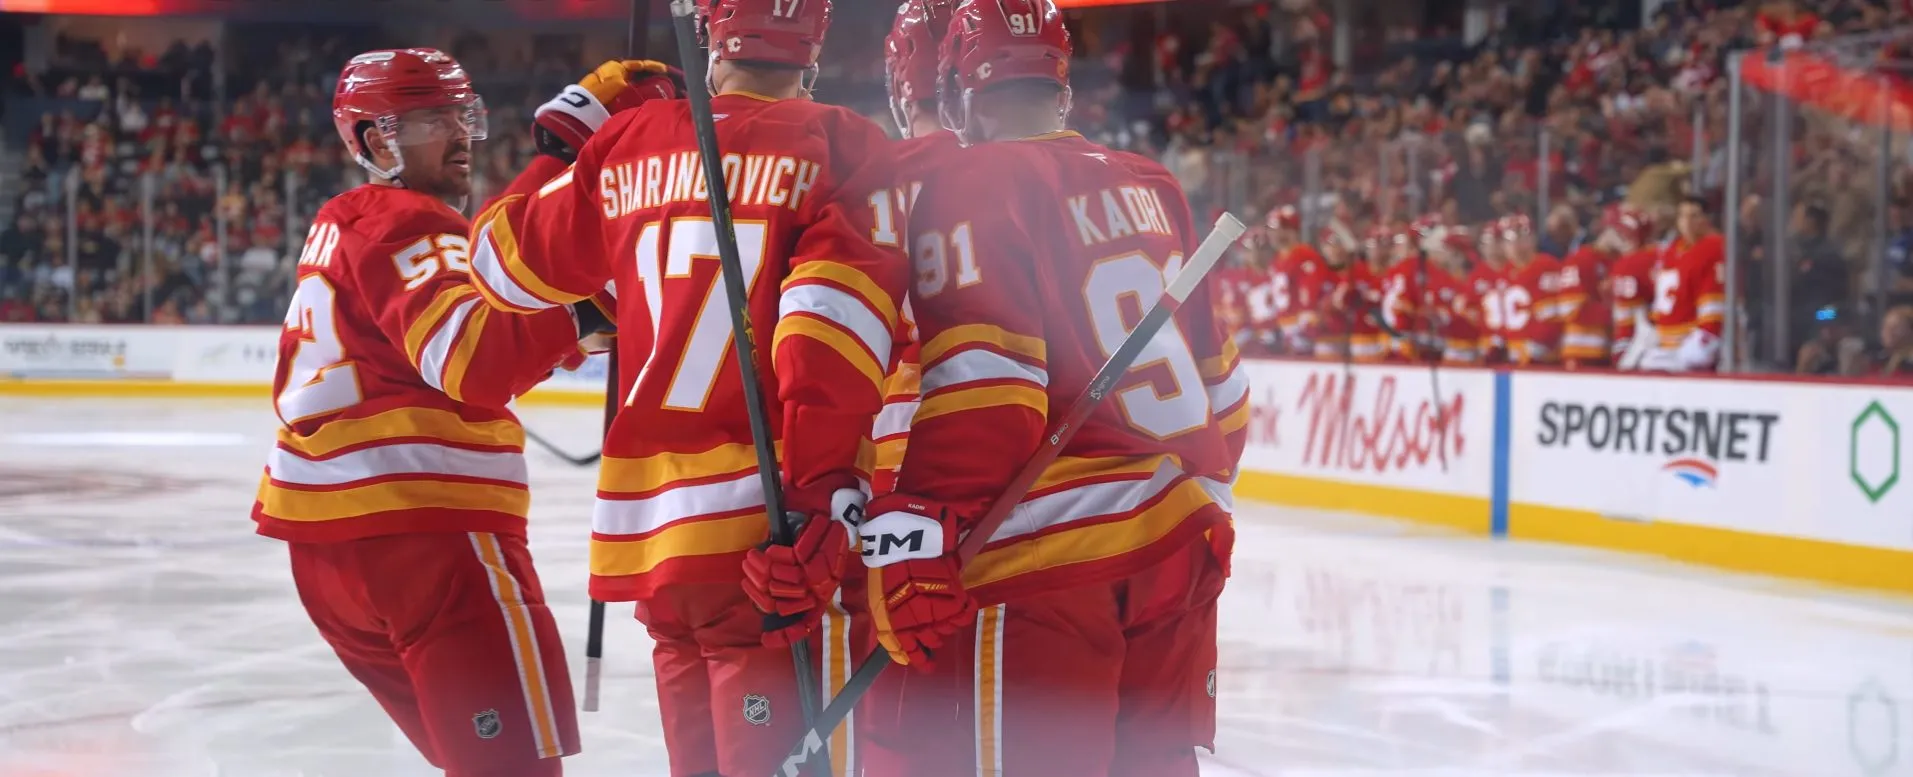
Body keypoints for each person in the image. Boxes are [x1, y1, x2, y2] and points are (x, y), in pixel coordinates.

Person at [757, 0, 1247, 773]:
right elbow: (1223, 391)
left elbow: (988, 382)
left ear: (956, 93)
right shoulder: (1153, 183)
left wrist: (917, 529)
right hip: (1179, 548)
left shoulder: (966, 177)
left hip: (1047, 556)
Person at [462, 1, 907, 774]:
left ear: (708, 34)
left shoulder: (626, 142)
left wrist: (571, 134)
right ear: (815, 42)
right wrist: (823, 496)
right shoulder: (845, 144)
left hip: (656, 538)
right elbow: (827, 333)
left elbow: (496, 267)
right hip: (766, 526)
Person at [252, 49, 671, 776]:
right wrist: (576, 297)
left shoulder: (347, 220)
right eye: (430, 120)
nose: (460, 134)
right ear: (376, 141)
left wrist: (569, 328)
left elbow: (434, 355)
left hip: (332, 548)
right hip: (428, 534)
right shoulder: (406, 220)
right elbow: (472, 363)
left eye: (462, 113)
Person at [1644, 196, 1726, 372]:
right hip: (1665, 343)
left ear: (1707, 219)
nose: (1687, 222)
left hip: (1693, 340)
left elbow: (1713, 308)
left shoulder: (1713, 248)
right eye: (1683, 216)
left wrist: (1705, 337)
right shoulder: (1671, 252)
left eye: (1694, 216)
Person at [1500, 213, 1564, 365]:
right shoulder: (1505, 273)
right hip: (1513, 355)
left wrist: (1538, 348)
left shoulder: (1546, 266)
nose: (1516, 244)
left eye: (1522, 236)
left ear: (1533, 239)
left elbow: (1552, 317)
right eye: (1510, 239)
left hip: (1544, 358)